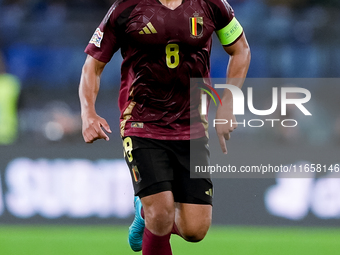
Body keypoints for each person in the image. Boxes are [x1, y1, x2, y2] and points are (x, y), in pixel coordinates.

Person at [79, 0, 250, 254]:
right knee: (161, 214)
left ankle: (142, 211)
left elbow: (241, 49)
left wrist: (227, 104)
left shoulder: (211, 5)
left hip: (192, 125)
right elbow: (93, 65)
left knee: (195, 229)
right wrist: (88, 113)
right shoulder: (126, 8)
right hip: (142, 122)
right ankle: (150, 212)